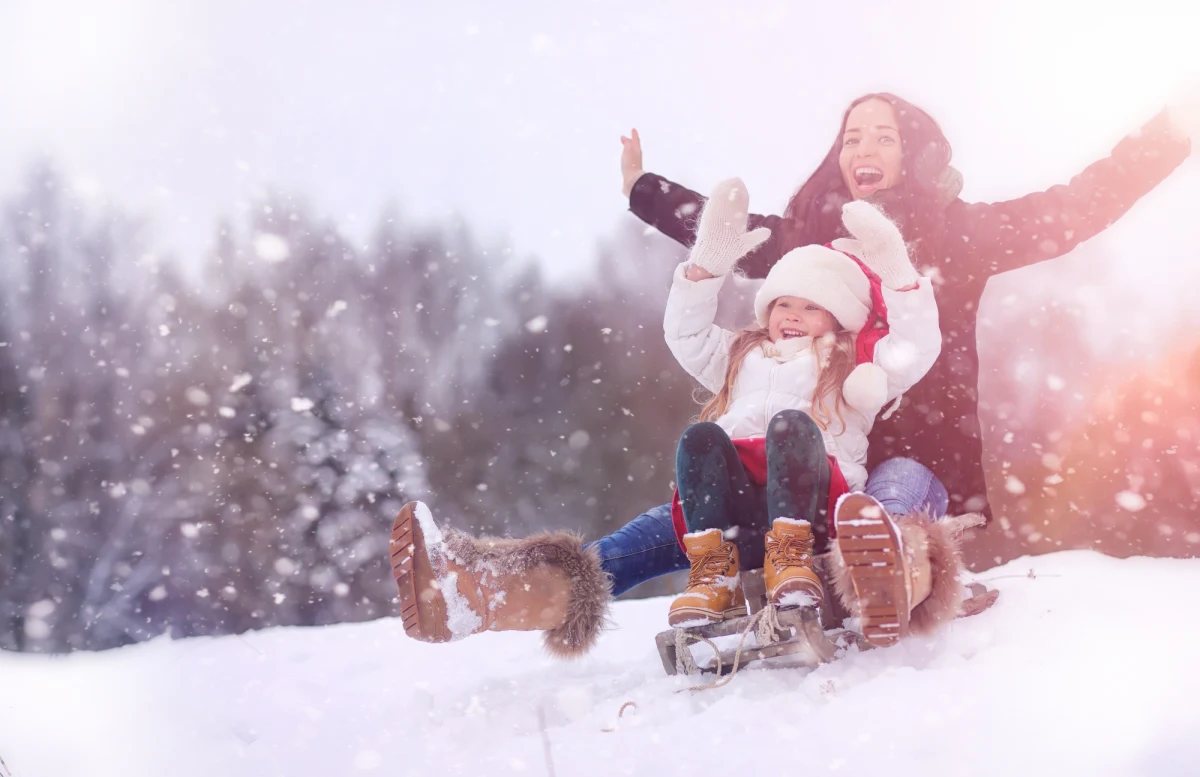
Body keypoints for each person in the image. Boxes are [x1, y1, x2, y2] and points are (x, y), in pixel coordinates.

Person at [597, 89, 1198, 600]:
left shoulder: (958, 234)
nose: (863, 149)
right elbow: (724, 233)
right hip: (806, 462)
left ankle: (886, 585)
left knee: (875, 522)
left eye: (883, 137)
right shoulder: (812, 240)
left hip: (916, 453)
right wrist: (643, 190)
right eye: (852, 138)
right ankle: (561, 578)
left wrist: (1169, 135)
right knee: (687, 522)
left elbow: (1072, 207)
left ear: (914, 152)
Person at [662, 180, 943, 629]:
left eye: (811, 307)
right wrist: (704, 269)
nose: (792, 314)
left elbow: (917, 346)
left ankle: (791, 559)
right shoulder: (740, 354)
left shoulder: (850, 360)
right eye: (783, 303)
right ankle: (713, 571)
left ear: (838, 318)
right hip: (741, 515)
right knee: (701, 437)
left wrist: (896, 272)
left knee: (791, 425)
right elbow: (686, 335)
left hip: (813, 508)